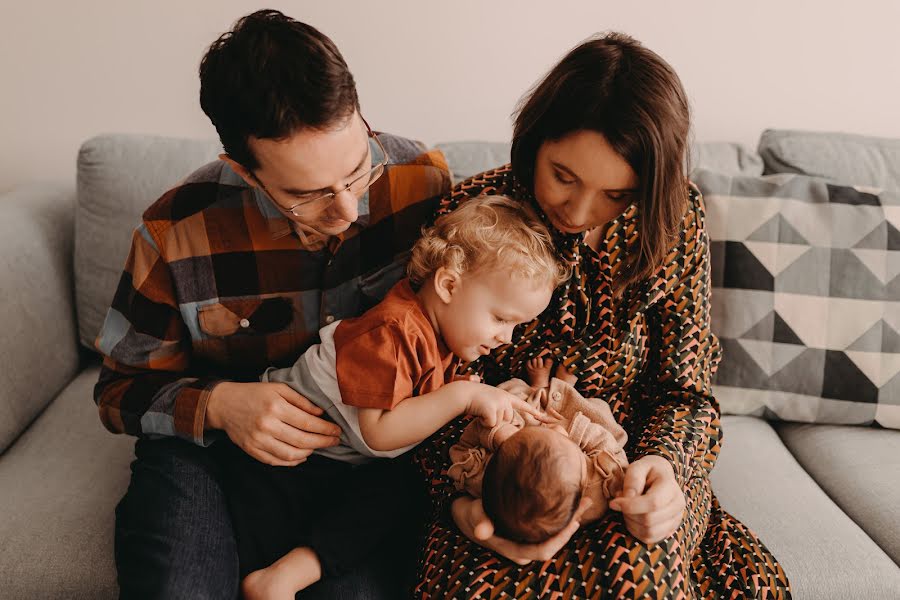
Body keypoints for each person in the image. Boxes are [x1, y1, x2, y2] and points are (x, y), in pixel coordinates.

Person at [413, 33, 793, 598]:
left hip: (627, 471)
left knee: (645, 580)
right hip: (501, 479)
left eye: (616, 194)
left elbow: (686, 390)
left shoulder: (674, 220)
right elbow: (418, 379)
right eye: (563, 176)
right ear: (535, 138)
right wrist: (464, 501)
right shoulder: (474, 213)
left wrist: (668, 470)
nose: (579, 210)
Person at [93, 9, 451, 599]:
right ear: (243, 171)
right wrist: (221, 405)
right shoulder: (176, 232)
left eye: (358, 171)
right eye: (307, 195)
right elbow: (116, 391)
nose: (347, 212)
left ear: (361, 118)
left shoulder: (424, 183)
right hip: (212, 453)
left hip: (365, 457)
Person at [228, 194, 568, 599]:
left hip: (333, 461)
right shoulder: (393, 331)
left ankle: (290, 573)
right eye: (500, 318)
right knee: (384, 495)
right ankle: (275, 575)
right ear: (448, 284)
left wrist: (500, 399)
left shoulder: (446, 338)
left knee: (399, 493)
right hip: (273, 457)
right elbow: (379, 434)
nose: (505, 338)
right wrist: (464, 396)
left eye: (517, 326)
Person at [446, 357, 629, 545]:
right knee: (600, 415)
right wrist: (572, 430)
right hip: (574, 422)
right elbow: (613, 453)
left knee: (508, 398)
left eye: (553, 434)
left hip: (525, 425)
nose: (556, 431)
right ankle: (562, 390)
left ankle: (538, 388)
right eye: (565, 442)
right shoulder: (596, 492)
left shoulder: (488, 483)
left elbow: (462, 452)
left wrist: (500, 435)